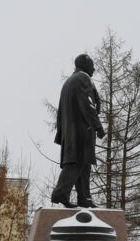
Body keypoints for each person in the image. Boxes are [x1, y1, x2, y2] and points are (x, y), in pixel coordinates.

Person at [51, 53, 106, 209]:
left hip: (71, 131)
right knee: (76, 163)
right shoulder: (83, 78)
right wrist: (98, 126)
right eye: (92, 65)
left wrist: (62, 134)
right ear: (86, 64)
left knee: (83, 164)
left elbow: (60, 111)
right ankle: (60, 193)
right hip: (82, 131)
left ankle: (84, 198)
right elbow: (88, 105)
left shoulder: (68, 82)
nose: (94, 68)